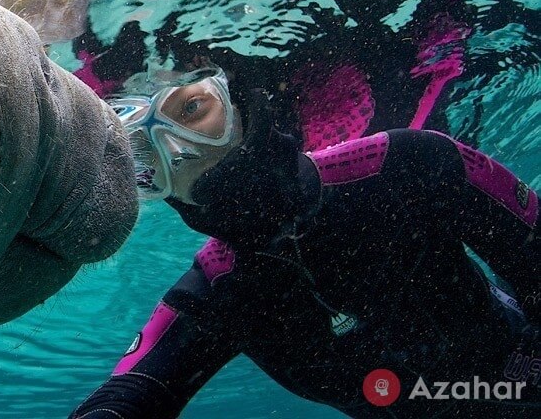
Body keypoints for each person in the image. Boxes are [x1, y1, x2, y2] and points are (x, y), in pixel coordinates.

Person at [70, 70, 539, 418]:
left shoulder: (408, 162)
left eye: (192, 110)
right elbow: (133, 392)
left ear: (237, 105)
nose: (181, 150)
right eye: (146, 152)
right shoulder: (219, 292)